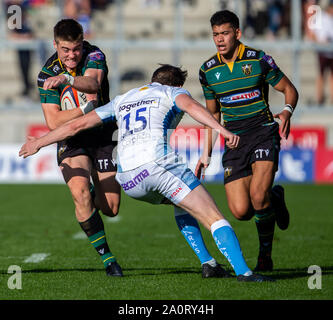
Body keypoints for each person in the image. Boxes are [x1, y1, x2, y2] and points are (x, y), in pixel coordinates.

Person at [20, 64, 274, 282]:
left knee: (181, 203)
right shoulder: (172, 91)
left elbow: (77, 124)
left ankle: (208, 263)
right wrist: (223, 130)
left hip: (129, 179)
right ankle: (244, 272)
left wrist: (39, 142)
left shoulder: (123, 98)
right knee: (213, 216)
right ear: (176, 83)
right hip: (158, 165)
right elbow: (194, 107)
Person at [195, 10, 299, 272]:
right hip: (233, 141)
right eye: (216, 34)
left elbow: (290, 89)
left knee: (257, 197)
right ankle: (276, 198)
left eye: (225, 33)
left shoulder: (259, 59)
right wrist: (205, 153)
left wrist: (287, 110)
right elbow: (212, 115)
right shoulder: (208, 70)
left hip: (263, 131)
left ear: (237, 33)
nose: (220, 39)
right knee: (241, 211)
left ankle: (265, 255)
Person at [37, 19, 122, 277]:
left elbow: (94, 85)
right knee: (80, 193)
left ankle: (94, 187)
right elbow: (53, 121)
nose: (72, 55)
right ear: (55, 45)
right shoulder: (45, 74)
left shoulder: (94, 54)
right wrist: (84, 110)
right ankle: (108, 260)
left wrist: (68, 79)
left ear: (82, 43)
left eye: (76, 48)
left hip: (103, 135)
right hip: (72, 141)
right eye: (65, 50)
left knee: (111, 208)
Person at [312, 2, 333, 105]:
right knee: (321, 74)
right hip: (323, 52)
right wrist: (320, 44)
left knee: (332, 76)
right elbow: (314, 34)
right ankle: (319, 98)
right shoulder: (321, 18)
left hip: (331, 52)